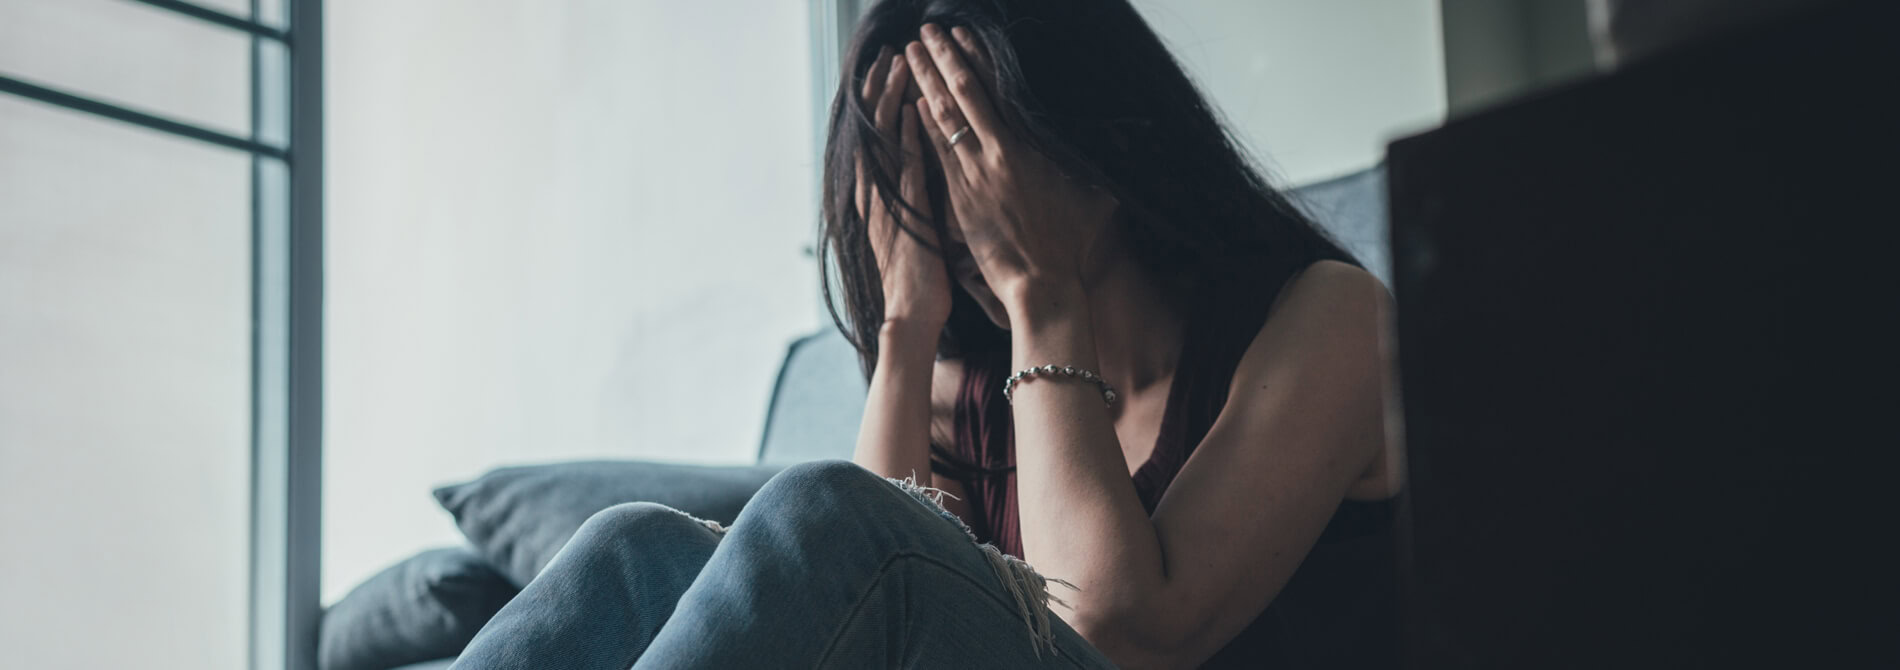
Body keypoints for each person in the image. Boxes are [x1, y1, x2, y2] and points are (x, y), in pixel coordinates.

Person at [453, 1, 1400, 667]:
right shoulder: (972, 388)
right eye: (913, 180)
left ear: (1095, 140)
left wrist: (1042, 291)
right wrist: (904, 332)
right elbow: (860, 622)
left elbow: (1113, 636)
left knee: (832, 510)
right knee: (632, 552)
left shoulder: (1329, 319)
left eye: (964, 154)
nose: (950, 219)